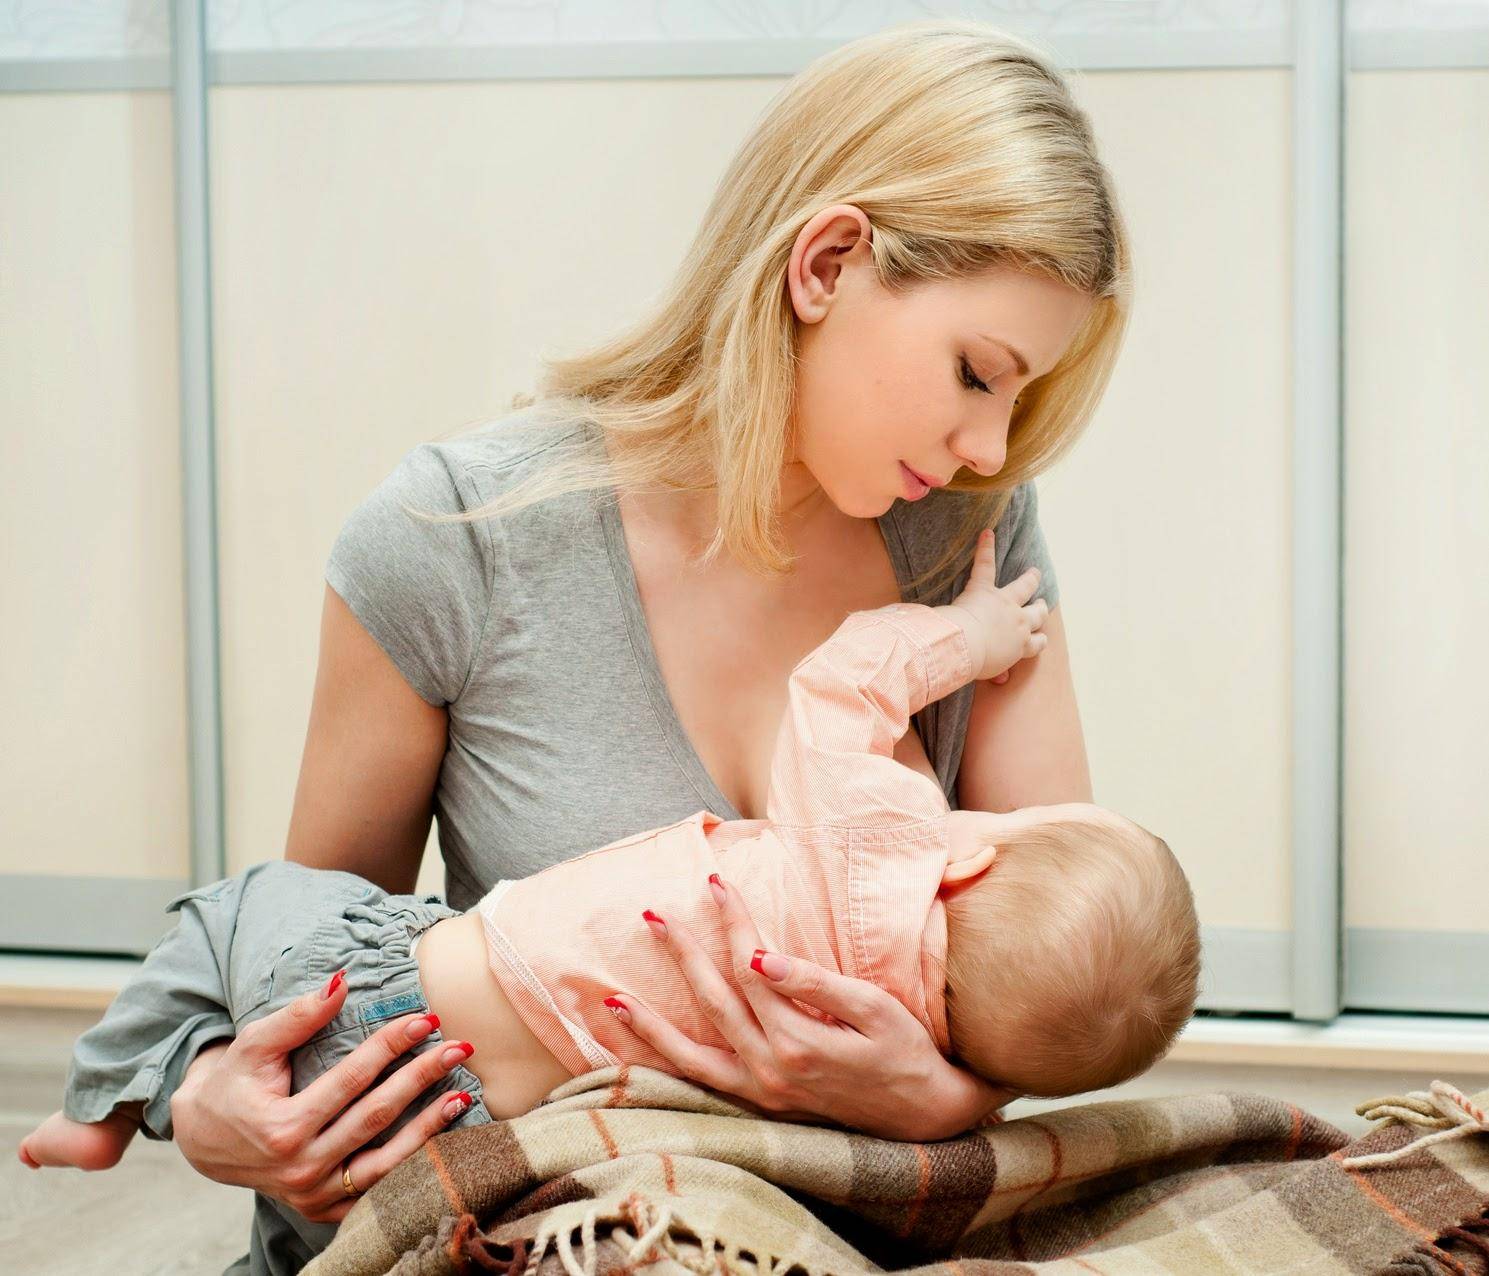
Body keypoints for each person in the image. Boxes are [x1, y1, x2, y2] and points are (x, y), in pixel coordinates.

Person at [139, 18, 1134, 1274]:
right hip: (545, 1226)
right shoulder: (455, 536)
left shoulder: (970, 533)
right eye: (977, 374)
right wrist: (204, 1096)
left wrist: (943, 1099)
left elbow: (1062, 961)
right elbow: (306, 955)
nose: (991, 446)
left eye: (1021, 397)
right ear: (825, 263)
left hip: (846, 1225)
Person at [21, 535, 1199, 1194]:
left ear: (973, 859)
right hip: (471, 1132)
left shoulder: (878, 846)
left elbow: (843, 683)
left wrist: (971, 637)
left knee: (236, 913)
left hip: (380, 994)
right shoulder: (892, 1033)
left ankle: (105, 1100)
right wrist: (957, 1095)